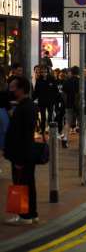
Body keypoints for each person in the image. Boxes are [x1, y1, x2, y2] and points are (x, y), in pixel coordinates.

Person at [3, 77, 39, 225]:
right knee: (28, 183)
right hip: (25, 153)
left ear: (21, 89)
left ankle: (24, 216)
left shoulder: (25, 108)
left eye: (13, 87)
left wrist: (18, 159)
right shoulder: (26, 106)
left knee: (22, 184)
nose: (11, 90)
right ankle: (31, 213)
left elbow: (22, 135)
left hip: (22, 154)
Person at [33, 66, 58, 136]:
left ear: (47, 72)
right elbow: (36, 92)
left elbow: (55, 90)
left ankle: (49, 128)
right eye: (42, 72)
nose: (44, 73)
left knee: (50, 116)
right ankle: (42, 129)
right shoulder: (39, 80)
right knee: (43, 116)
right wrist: (32, 99)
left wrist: (55, 99)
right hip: (42, 101)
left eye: (45, 72)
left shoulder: (51, 79)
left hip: (50, 101)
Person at [61, 66, 79, 148]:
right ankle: (83, 143)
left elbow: (63, 94)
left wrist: (66, 102)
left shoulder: (67, 81)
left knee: (67, 122)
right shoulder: (80, 81)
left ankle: (65, 138)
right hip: (78, 105)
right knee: (81, 123)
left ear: (71, 72)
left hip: (69, 104)